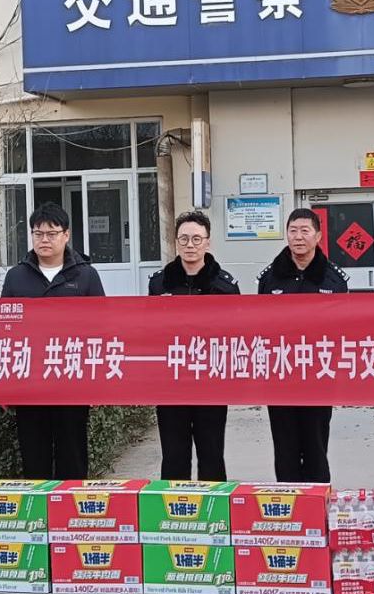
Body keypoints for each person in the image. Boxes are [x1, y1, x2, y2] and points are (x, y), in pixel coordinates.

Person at [1, 202, 105, 480]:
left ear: (66, 235)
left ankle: (72, 507)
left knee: (73, 457)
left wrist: (97, 383)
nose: (44, 240)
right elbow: (4, 333)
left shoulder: (85, 275)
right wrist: (3, 385)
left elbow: (101, 329)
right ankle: (37, 507)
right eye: (38, 234)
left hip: (72, 382)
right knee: (34, 460)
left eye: (51, 233)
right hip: (29, 384)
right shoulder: (16, 277)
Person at [257, 207, 349, 482]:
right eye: (293, 231)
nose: (298, 237)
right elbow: (260, 326)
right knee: (284, 447)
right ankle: (288, 502)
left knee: (315, 446)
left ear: (318, 236)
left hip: (319, 376)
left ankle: (317, 501)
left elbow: (343, 329)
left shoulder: (334, 279)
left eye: (305, 231)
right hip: (280, 375)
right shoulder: (270, 278)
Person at [148, 210, 240, 481]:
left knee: (211, 455)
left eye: (197, 239)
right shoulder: (159, 283)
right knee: (174, 456)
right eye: (184, 239)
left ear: (208, 242)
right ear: (176, 242)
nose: (190, 245)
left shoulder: (225, 286)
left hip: (211, 383)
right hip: (171, 383)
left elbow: (235, 335)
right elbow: (150, 332)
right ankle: (173, 506)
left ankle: (213, 506)